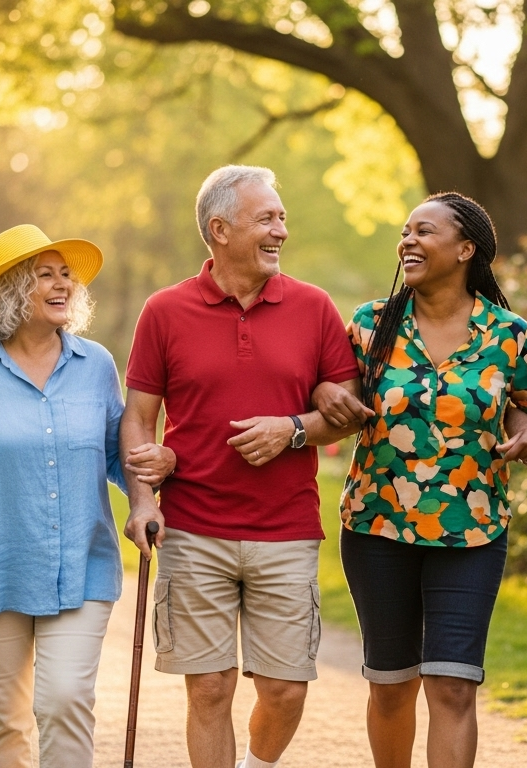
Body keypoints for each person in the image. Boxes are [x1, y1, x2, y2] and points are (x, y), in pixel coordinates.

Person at [0, 224, 175, 767]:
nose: (62, 284)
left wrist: (149, 484)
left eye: (65, 274)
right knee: (3, 721)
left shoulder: (95, 365)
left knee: (64, 700)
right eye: (44, 275)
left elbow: (117, 453)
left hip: (82, 566)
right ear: (9, 292)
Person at [120, 165, 361, 768]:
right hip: (193, 528)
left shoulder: (314, 307)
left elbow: (347, 412)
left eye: (282, 218)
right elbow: (139, 417)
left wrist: (292, 429)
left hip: (285, 529)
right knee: (209, 687)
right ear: (220, 229)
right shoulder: (164, 310)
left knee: (285, 689)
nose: (281, 230)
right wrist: (142, 502)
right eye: (266, 219)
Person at [312, 192, 527, 768]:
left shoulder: (509, 334)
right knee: (391, 684)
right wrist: (324, 391)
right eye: (405, 231)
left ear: (466, 249)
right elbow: (333, 390)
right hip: (377, 527)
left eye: (424, 231)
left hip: (471, 532)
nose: (408, 241)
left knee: (453, 686)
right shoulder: (372, 324)